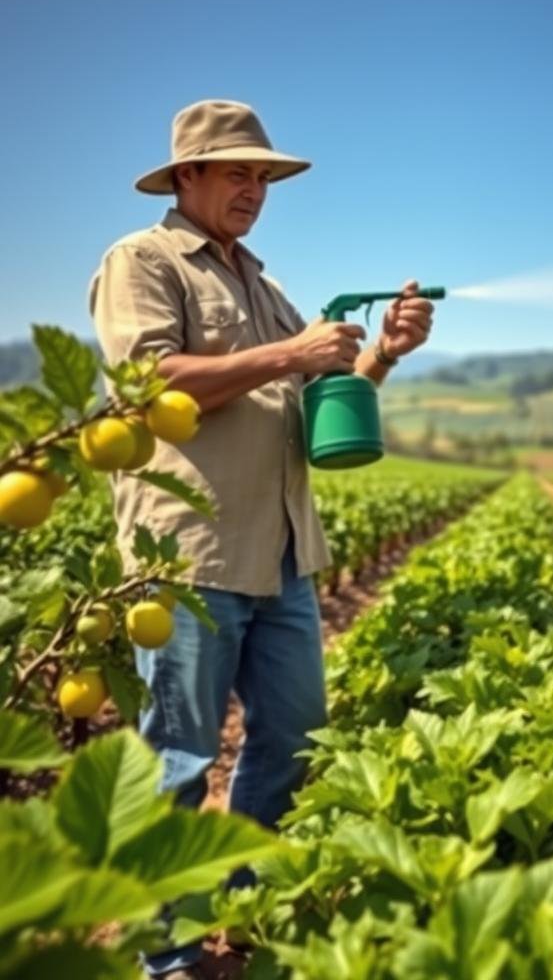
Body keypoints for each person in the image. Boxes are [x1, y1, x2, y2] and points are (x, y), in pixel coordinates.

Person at [89, 99, 434, 979]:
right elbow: (147, 382)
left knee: (291, 740)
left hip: (282, 553)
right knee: (179, 758)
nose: (254, 189)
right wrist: (290, 353)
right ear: (187, 177)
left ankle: (249, 912)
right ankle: (164, 953)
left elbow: (308, 392)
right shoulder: (145, 260)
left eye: (263, 176)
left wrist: (381, 355)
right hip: (192, 555)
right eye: (236, 171)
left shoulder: (264, 285)